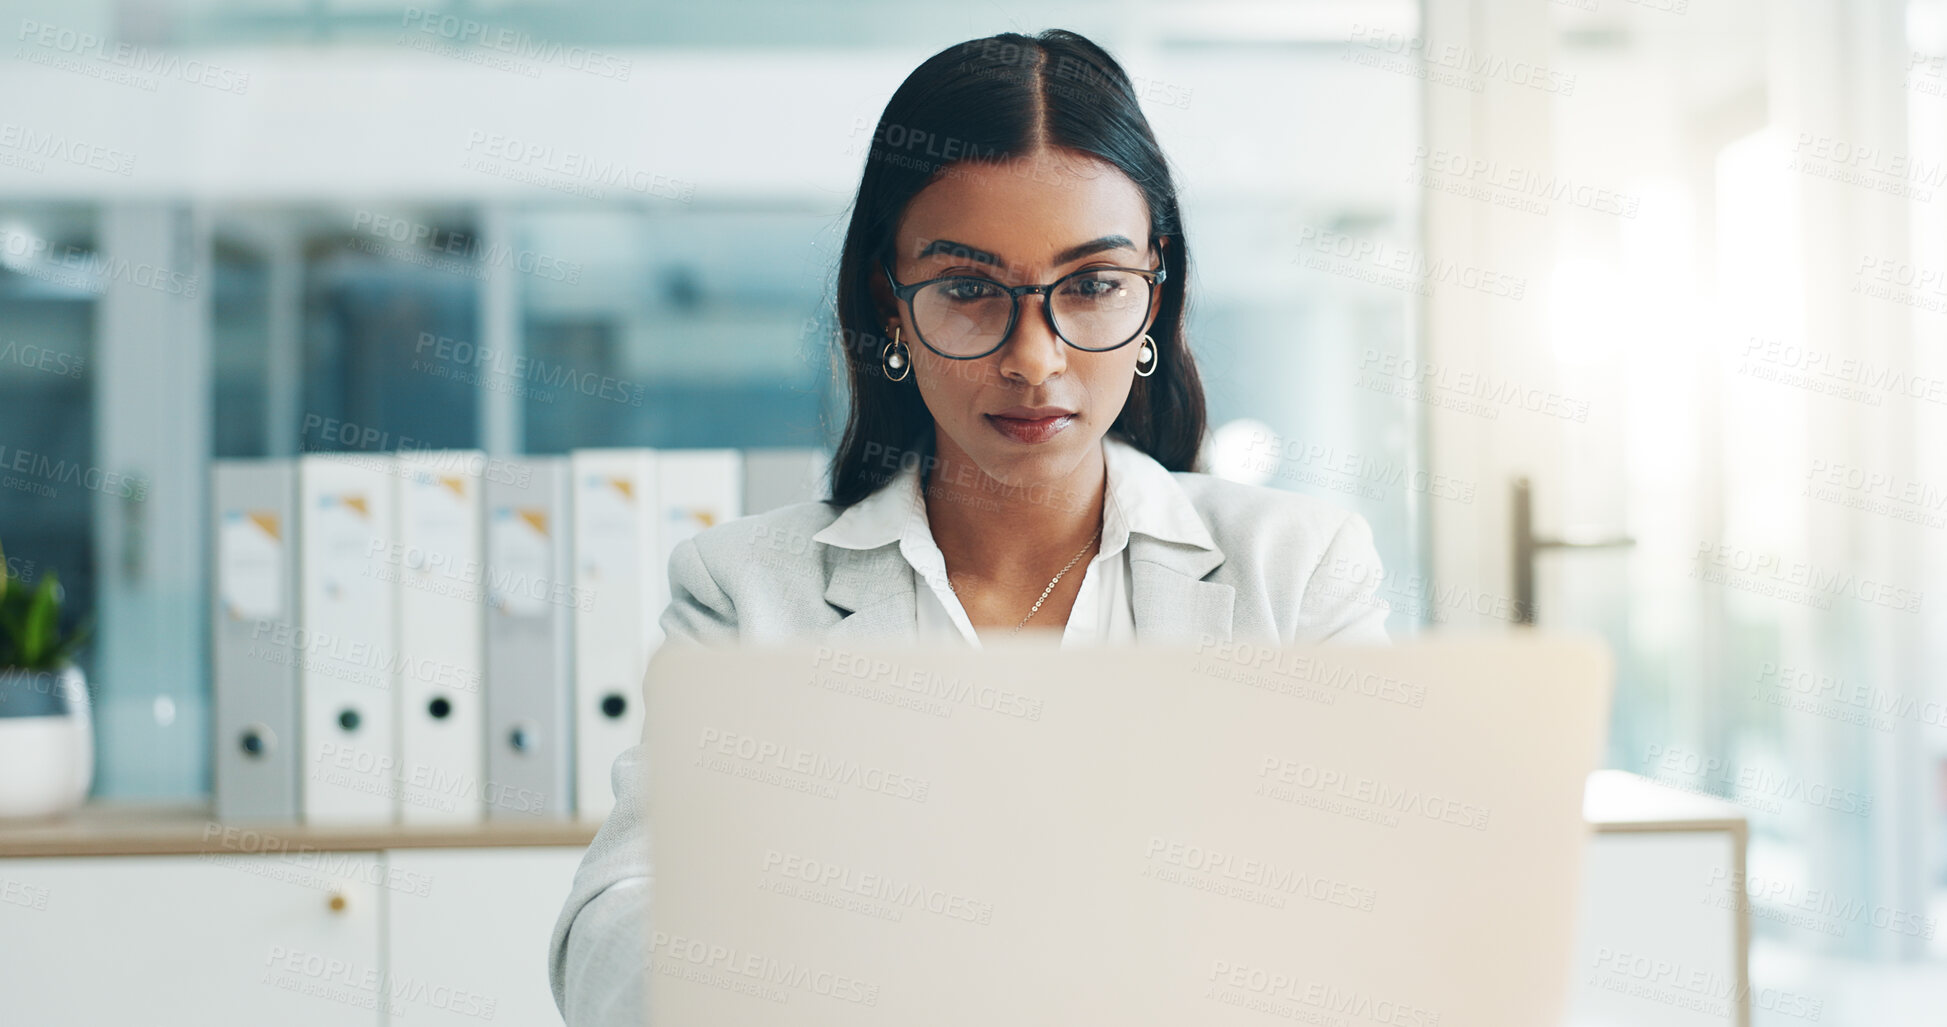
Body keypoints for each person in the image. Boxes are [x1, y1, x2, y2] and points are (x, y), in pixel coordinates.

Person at [547, 27, 1391, 1025]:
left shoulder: (1294, 574)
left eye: (1089, 286)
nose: (1034, 358)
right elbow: (611, 942)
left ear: (1154, 297)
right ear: (890, 305)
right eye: (968, 291)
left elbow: (1379, 925)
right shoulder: (747, 590)